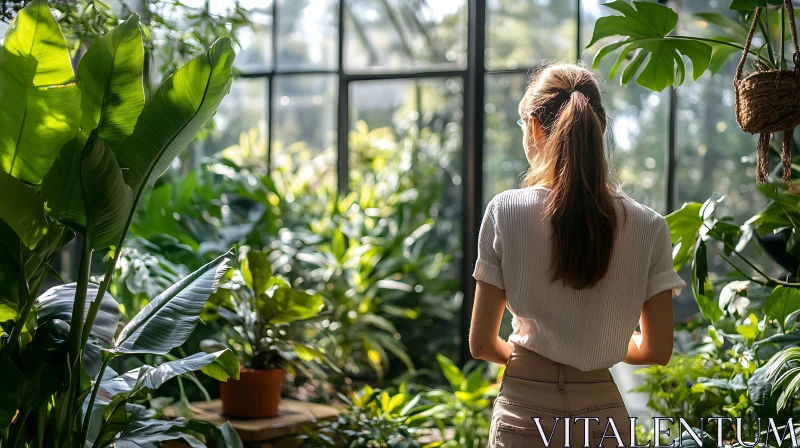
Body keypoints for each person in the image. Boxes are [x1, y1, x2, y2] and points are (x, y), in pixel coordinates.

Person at [469, 63, 685, 448]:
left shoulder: (505, 210)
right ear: (598, 127)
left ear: (534, 128)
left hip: (524, 415)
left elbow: (482, 343)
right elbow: (656, 349)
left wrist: (538, 356)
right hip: (603, 424)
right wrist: (596, 344)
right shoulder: (650, 226)